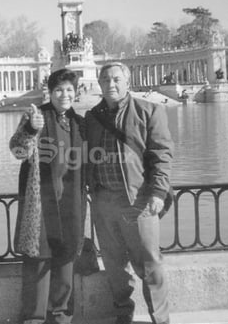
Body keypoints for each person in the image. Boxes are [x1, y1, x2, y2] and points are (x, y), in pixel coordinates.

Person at [85, 62, 174, 324]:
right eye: (105, 80)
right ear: (99, 84)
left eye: (115, 79)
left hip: (139, 200)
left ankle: (160, 318)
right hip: (103, 201)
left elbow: (162, 155)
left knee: (149, 262)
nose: (110, 84)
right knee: (114, 264)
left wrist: (158, 192)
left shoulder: (150, 111)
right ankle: (123, 312)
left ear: (127, 83)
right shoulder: (92, 117)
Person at [9, 68, 87, 324]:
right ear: (50, 92)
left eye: (69, 90)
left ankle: (61, 316)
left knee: (66, 259)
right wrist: (31, 129)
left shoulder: (79, 122)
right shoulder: (36, 115)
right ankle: (34, 318)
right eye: (59, 90)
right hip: (41, 202)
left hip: (70, 201)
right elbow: (18, 150)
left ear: (76, 93)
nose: (64, 94)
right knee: (38, 261)